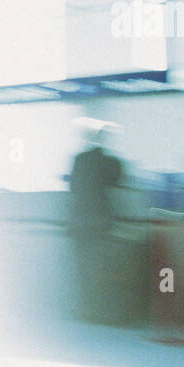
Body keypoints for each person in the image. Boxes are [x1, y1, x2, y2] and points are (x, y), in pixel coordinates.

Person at [68, 124, 125, 322]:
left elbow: (73, 186)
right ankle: (101, 311)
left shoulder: (79, 160)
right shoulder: (111, 162)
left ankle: (87, 310)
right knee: (102, 267)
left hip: (80, 221)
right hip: (100, 221)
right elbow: (118, 182)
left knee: (83, 269)